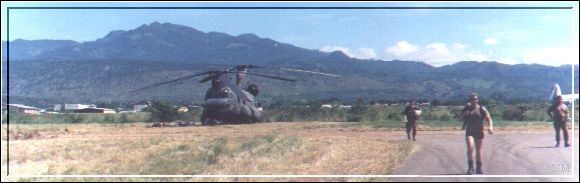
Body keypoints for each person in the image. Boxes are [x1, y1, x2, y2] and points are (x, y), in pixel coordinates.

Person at [459, 93, 494, 175]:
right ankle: (471, 168)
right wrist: (464, 114)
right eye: (472, 99)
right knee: (470, 148)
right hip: (470, 131)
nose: (474, 100)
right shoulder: (467, 109)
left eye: (475, 99)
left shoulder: (481, 109)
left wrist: (490, 127)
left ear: (477, 100)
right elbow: (460, 119)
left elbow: (489, 118)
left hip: (479, 131)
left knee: (478, 150)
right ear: (470, 101)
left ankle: (479, 168)